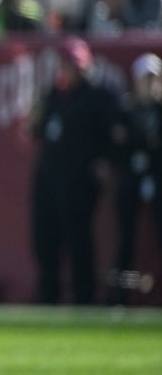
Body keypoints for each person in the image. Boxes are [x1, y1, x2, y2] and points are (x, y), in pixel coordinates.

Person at [28, 36, 120, 305]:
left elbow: (116, 135)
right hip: (48, 175)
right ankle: (48, 298)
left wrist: (106, 163)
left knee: (78, 238)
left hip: (80, 178)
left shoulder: (100, 94)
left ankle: (84, 298)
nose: (69, 70)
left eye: (73, 65)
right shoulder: (52, 94)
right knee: (45, 238)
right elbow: (35, 131)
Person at [108, 53, 162, 303]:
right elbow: (118, 145)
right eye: (146, 78)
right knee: (125, 239)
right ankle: (120, 296)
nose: (150, 83)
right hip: (130, 178)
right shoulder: (125, 110)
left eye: (154, 78)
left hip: (157, 179)